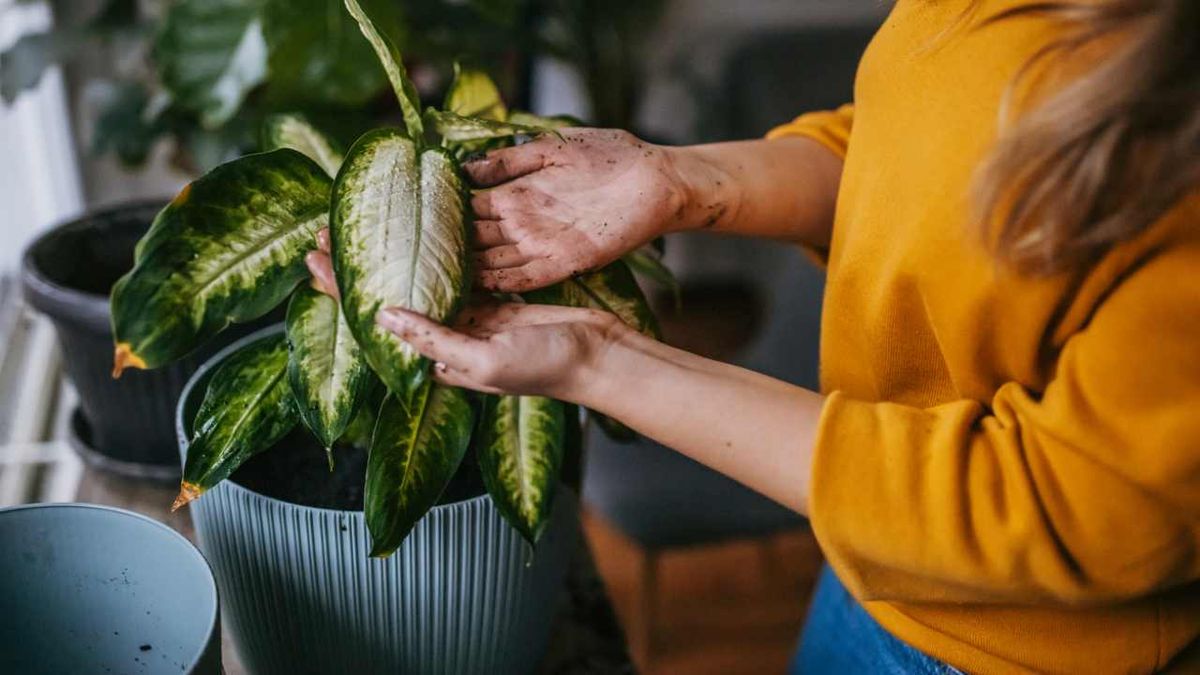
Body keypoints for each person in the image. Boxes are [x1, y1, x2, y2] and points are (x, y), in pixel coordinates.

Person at [307, 0, 1199, 671]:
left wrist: (600, 360)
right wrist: (674, 181)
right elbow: (903, 152)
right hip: (876, 570)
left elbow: (1054, 504)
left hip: (1019, 648)